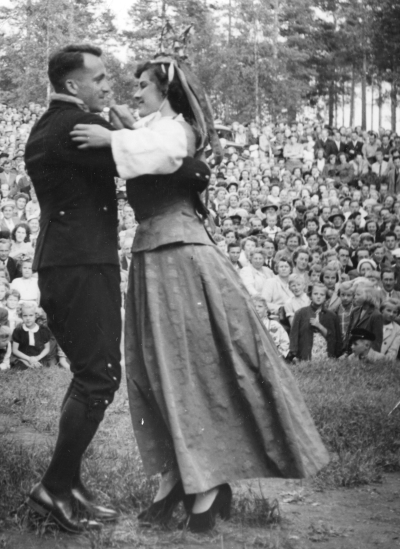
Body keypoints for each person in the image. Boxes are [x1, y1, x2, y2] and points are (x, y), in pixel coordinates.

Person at [72, 51, 329, 533]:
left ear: (165, 90)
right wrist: (123, 126)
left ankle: (203, 485)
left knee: (189, 368)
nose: (135, 93)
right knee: (159, 370)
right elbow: (147, 142)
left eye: (143, 86)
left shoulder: (178, 131)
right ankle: (182, 478)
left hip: (180, 255)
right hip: (156, 254)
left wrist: (112, 137)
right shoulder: (153, 128)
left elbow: (165, 153)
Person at [22, 44, 125, 532]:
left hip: (67, 262)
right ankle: (54, 488)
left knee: (89, 374)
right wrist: (126, 130)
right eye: (99, 78)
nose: (108, 85)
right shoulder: (78, 127)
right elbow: (149, 166)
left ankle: (71, 484)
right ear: (71, 85)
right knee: (99, 377)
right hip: (81, 264)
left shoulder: (53, 124)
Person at [289, 283, 343, 361]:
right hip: (306, 355)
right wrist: (293, 354)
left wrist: (319, 326)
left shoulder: (331, 316)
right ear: (310, 295)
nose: (318, 297)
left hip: (325, 355)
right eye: (315, 294)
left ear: (326, 297)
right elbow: (294, 335)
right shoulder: (300, 313)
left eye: (322, 295)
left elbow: (334, 337)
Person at [11, 302, 52, 369]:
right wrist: (29, 359)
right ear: (21, 316)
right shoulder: (18, 330)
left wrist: (37, 358)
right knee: (20, 367)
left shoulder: (43, 330)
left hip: (39, 357)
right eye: (25, 315)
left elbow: (47, 348)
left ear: (36, 316)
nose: (28, 318)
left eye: (31, 315)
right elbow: (15, 350)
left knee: (41, 367)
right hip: (23, 357)